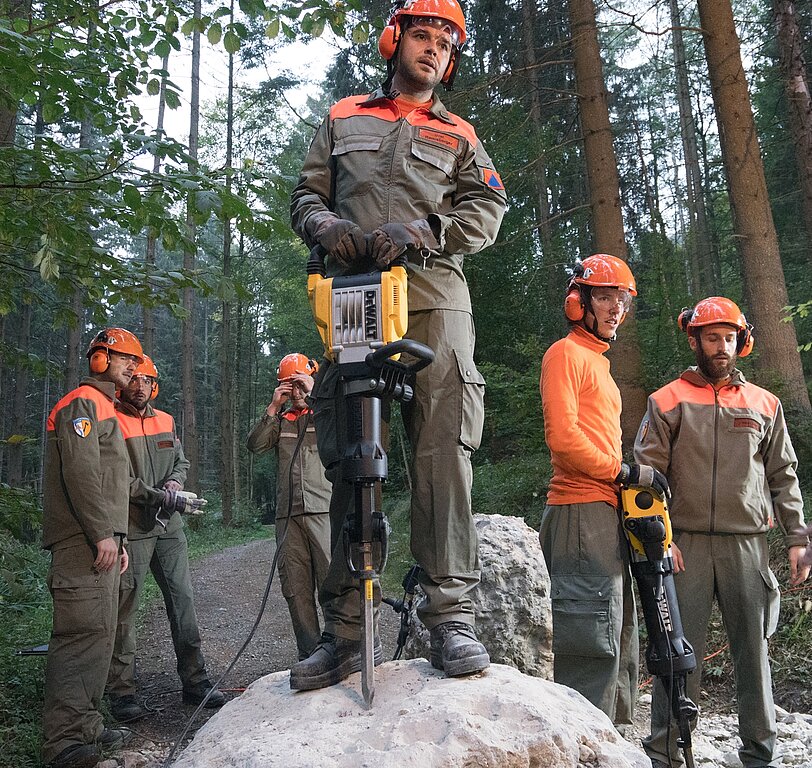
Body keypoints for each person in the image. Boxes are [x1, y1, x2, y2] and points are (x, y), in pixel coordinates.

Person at [289, 0, 506, 689]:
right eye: (424, 33)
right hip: (354, 291)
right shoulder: (342, 116)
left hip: (435, 296)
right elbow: (306, 195)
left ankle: (451, 619)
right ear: (394, 40)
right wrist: (325, 228)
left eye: (447, 41)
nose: (435, 48)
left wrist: (426, 231)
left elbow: (488, 208)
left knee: (444, 455)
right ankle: (347, 631)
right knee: (356, 454)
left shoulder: (459, 132)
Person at [635, 296, 810, 768]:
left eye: (729, 337)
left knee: (753, 652)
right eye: (712, 337)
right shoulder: (667, 400)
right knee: (675, 652)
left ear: (742, 341)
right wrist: (660, 540)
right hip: (683, 544)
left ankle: (759, 754)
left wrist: (797, 538)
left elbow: (784, 475)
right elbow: (647, 476)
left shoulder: (763, 403)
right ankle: (666, 753)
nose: (721, 346)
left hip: (748, 544)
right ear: (694, 340)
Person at [538, 254, 668, 727]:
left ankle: (611, 735)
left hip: (607, 508)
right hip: (578, 510)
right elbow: (564, 439)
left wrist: (624, 481)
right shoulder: (564, 355)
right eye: (605, 297)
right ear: (579, 301)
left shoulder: (598, 363)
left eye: (622, 300)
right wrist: (627, 471)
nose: (616, 308)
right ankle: (583, 738)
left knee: (620, 626)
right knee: (589, 634)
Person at [41, 328, 143, 768]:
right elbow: (82, 474)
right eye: (123, 358)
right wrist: (102, 531)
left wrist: (117, 539)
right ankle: (64, 743)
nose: (132, 367)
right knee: (80, 637)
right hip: (81, 544)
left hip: (100, 542)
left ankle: (87, 725)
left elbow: (109, 483)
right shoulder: (83, 403)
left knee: (100, 635)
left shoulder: (105, 406)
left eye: (135, 361)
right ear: (99, 359)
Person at [106, 354, 224, 721]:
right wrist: (159, 496)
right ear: (123, 381)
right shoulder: (110, 420)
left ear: (154, 385)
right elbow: (116, 480)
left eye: (146, 380)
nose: (139, 386)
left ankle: (195, 681)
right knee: (126, 609)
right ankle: (122, 693)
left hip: (169, 526)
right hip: (133, 526)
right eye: (134, 379)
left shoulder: (166, 420)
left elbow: (181, 461)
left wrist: (175, 483)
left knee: (183, 601)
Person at [246, 353, 332, 661]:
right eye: (289, 386)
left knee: (331, 584)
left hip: (324, 511)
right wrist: (272, 407)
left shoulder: (326, 414)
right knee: (295, 589)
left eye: (299, 385)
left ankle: (339, 648)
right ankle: (310, 653)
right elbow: (255, 445)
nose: (296, 393)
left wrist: (317, 394)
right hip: (288, 517)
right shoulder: (279, 422)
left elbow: (346, 430)